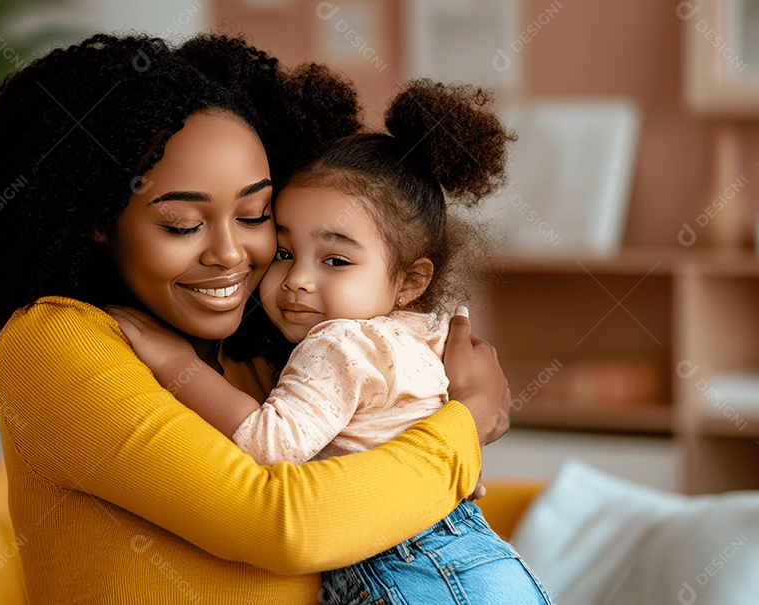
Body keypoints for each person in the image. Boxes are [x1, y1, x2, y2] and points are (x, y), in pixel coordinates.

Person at [0, 32, 512, 604]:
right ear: (100, 218)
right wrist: (466, 425)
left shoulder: (268, 345)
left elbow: (363, 497)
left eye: (255, 215)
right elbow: (282, 523)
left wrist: (424, 465)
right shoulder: (57, 341)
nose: (231, 254)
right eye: (184, 224)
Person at [110, 81, 554, 604]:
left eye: (335, 261)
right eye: (282, 252)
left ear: (411, 281)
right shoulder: (421, 333)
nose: (297, 279)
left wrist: (175, 361)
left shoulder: (337, 345)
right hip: (482, 565)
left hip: (412, 571)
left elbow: (268, 445)